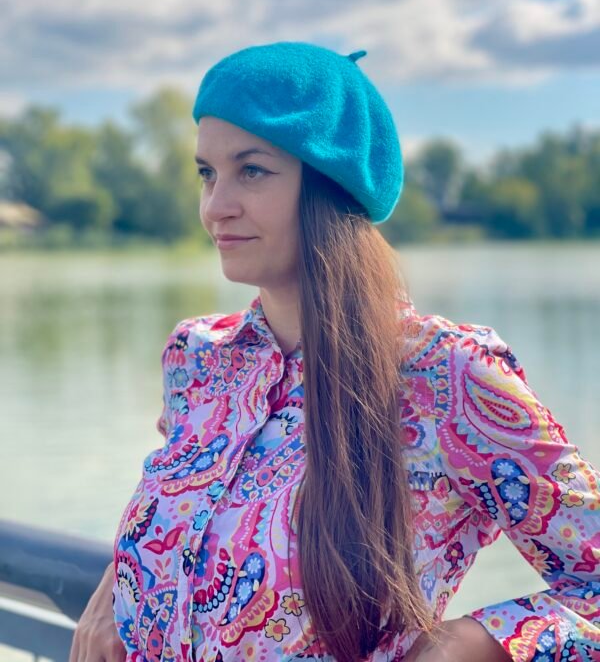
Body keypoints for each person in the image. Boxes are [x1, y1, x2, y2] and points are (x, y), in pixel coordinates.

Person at [70, 42, 600, 662]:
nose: (215, 207)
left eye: (252, 170)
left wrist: (462, 645)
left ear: (331, 186)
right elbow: (178, 519)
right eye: (207, 173)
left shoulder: (448, 377)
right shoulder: (198, 359)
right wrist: (115, 589)